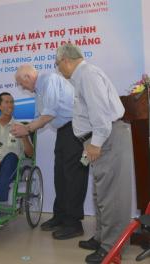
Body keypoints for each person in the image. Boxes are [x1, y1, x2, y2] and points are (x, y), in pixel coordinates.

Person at [55, 43, 132, 264]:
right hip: (99, 139)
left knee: (112, 196)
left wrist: (96, 143)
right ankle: (101, 238)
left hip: (106, 139)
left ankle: (111, 248)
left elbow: (101, 114)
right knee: (101, 194)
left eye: (58, 65)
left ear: (66, 60)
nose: (58, 70)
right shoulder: (82, 77)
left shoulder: (87, 75)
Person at [12, 65, 89, 240]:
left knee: (74, 177)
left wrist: (27, 129)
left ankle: (74, 224)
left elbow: (49, 114)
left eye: (20, 83)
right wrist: (24, 129)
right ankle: (60, 216)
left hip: (75, 129)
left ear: (28, 76)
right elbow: (39, 115)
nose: (21, 87)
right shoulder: (39, 90)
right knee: (60, 176)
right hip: (64, 131)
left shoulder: (49, 80)